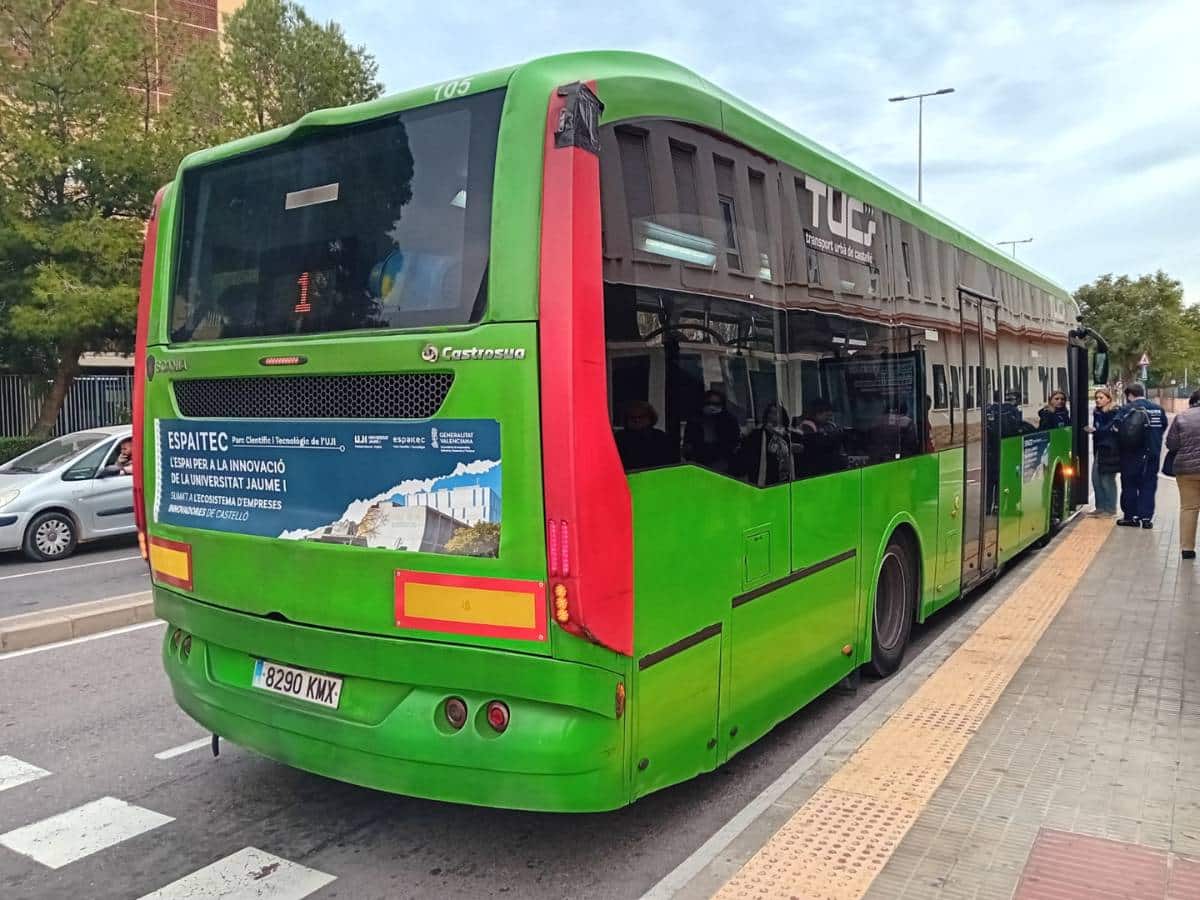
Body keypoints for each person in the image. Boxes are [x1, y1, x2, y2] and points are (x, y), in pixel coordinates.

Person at [1115, 382, 1166, 527]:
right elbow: (1163, 426)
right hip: (1152, 454)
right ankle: (1146, 518)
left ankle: (1130, 517)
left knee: (1129, 485)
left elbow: (1116, 429)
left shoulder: (1126, 409)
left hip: (1130, 455)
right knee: (1148, 485)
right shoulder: (1158, 409)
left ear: (1129, 395)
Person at [1165, 389, 1200, 559]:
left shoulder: (1182, 416)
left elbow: (1171, 444)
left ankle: (1187, 549)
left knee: (1189, 508)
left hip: (1186, 470)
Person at [735, 402, 793, 486]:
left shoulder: (786, 436)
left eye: (775, 413)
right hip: (763, 481)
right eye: (769, 412)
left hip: (783, 481)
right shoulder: (757, 434)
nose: (771, 416)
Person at [682, 390, 740, 473]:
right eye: (709, 403)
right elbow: (688, 444)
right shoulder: (694, 421)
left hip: (722, 464)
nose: (712, 406)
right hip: (698, 464)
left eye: (716, 404)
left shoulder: (729, 421)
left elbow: (733, 443)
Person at [1086, 387, 1120, 516]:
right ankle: (1100, 507)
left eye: (1101, 398)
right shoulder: (1097, 412)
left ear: (1109, 399)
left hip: (1111, 450)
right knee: (1096, 478)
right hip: (1099, 449)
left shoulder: (1114, 411)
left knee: (1107, 479)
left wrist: (1095, 431)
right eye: (1096, 398)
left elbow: (1109, 429)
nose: (1098, 400)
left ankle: (1110, 508)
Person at [614, 401, 676, 471]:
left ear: (650, 418)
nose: (636, 420)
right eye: (632, 417)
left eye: (641, 417)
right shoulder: (619, 438)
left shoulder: (660, 437)